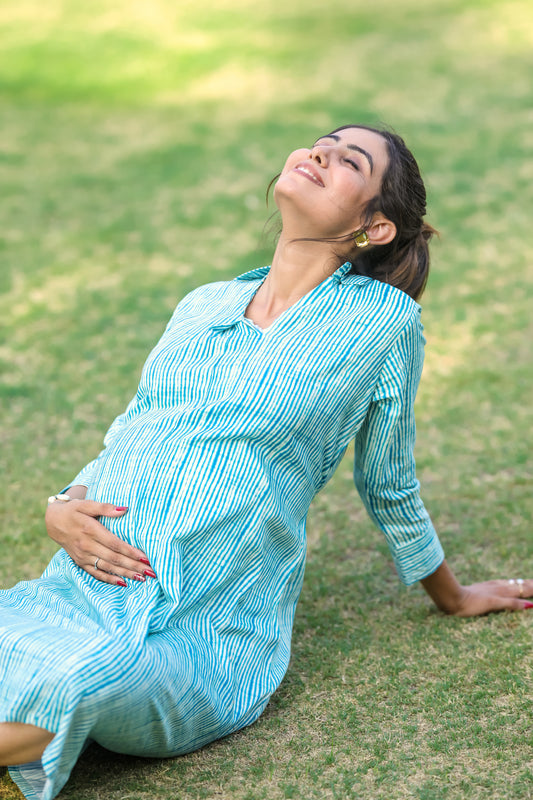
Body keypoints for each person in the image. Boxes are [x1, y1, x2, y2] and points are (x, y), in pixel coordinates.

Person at [1, 124, 531, 800]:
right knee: (39, 654)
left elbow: (387, 483)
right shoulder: (203, 304)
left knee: (88, 676)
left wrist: (452, 597)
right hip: (85, 585)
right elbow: (134, 428)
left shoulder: (380, 322)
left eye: (349, 161)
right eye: (321, 143)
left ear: (373, 228)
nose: (319, 154)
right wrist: (60, 508)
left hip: (206, 627)